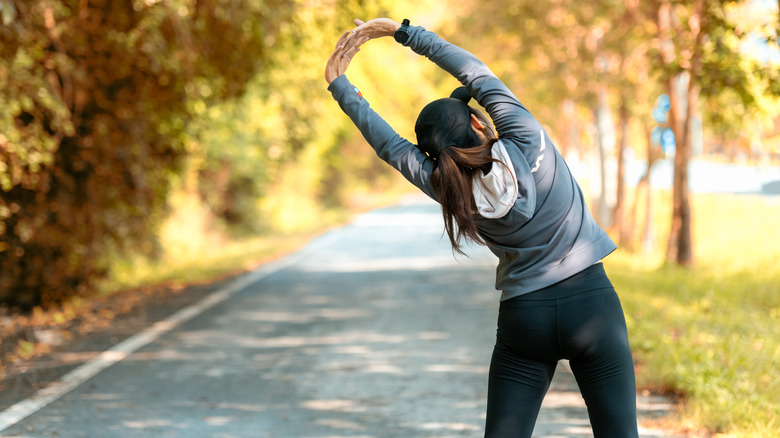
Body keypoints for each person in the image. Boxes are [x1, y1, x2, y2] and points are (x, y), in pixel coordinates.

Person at [325, 18, 639, 438]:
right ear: (477, 123)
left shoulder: (447, 188)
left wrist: (340, 85)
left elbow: (390, 146)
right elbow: (473, 72)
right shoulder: (525, 138)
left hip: (525, 320)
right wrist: (403, 32)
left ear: (436, 157)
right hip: (592, 307)